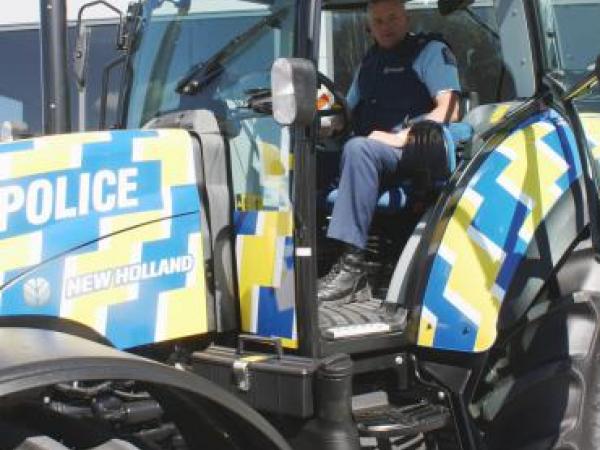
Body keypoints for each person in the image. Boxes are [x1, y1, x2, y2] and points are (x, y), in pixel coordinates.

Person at [318, 0, 461, 304]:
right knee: (309, 158)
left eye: (393, 18)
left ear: (407, 19)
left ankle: (352, 268)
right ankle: (310, 255)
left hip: (413, 152)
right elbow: (349, 111)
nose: (386, 26)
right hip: (372, 150)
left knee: (359, 149)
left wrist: (399, 138)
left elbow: (451, 108)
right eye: (378, 21)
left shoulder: (429, 52)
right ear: (370, 27)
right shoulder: (369, 62)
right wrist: (327, 124)